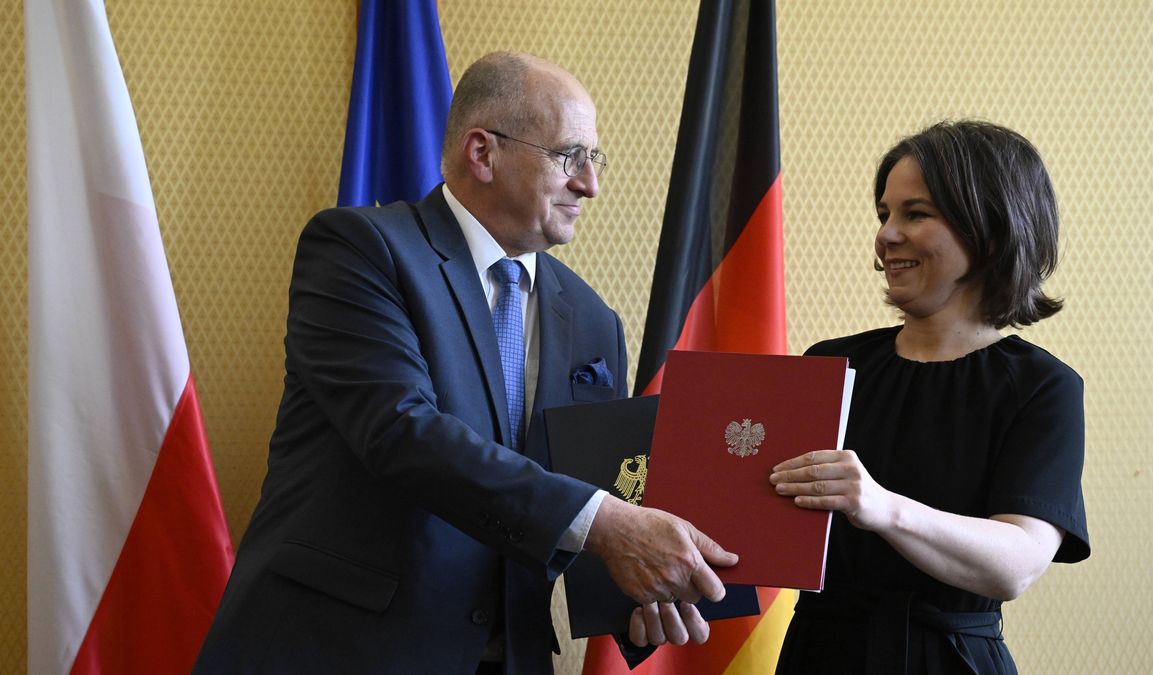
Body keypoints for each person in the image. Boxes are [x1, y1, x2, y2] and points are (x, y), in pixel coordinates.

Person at [193, 51, 734, 675]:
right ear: (483, 152)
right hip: (340, 649)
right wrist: (612, 527)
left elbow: (596, 492)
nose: (590, 185)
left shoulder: (593, 321)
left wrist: (638, 599)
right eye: (569, 157)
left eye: (595, 159)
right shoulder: (361, 250)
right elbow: (401, 432)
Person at [768, 121, 1090, 674]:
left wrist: (881, 507)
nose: (887, 236)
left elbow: (1016, 563)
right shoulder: (828, 363)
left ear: (990, 231)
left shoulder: (1042, 386)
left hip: (949, 660)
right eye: (884, 215)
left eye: (915, 214)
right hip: (817, 654)